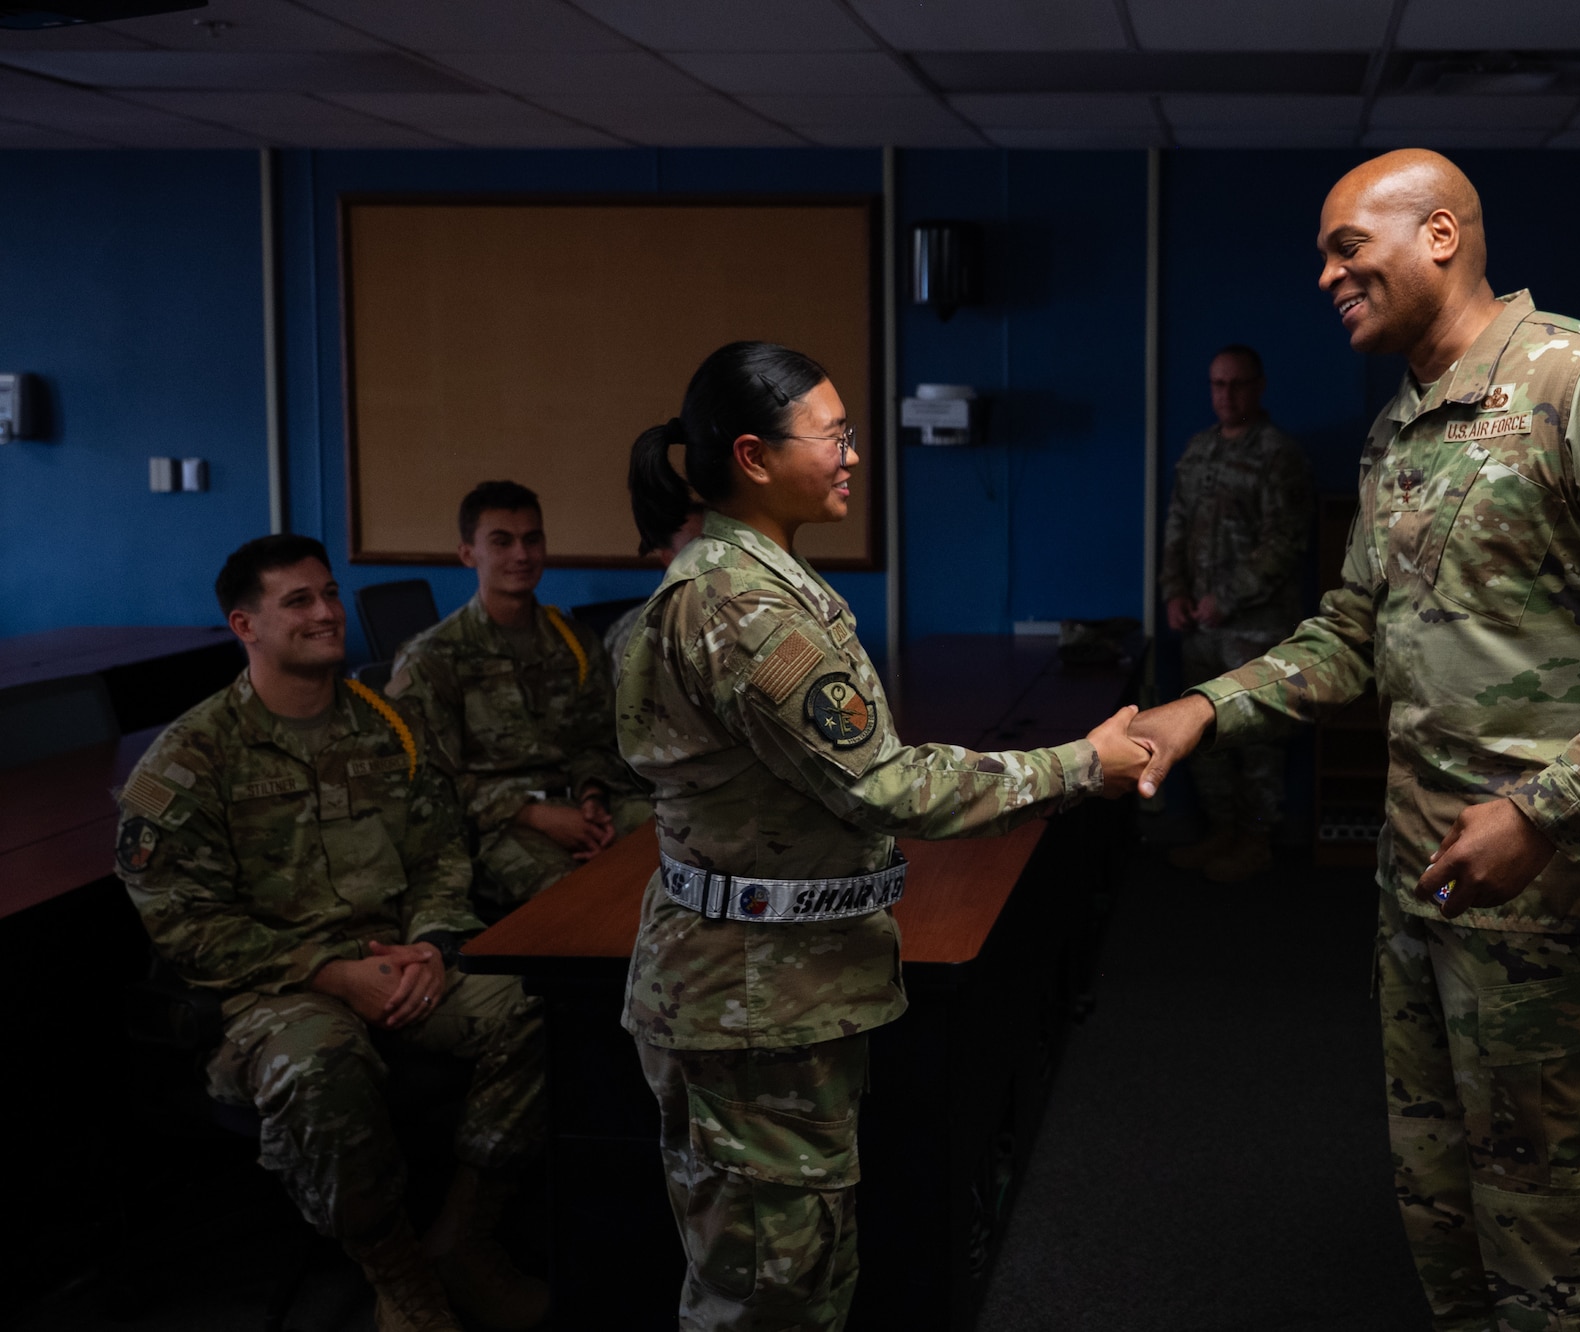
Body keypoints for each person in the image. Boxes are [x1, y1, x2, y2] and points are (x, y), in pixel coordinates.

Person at [1129, 150, 1580, 1332]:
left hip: (1551, 884)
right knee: (1441, 1201)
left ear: (1437, 235)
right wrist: (1206, 706)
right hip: (1417, 878)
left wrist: (1541, 807)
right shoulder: (1399, 432)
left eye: (1343, 246)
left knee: (1549, 1221)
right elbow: (1353, 633)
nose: (1324, 274)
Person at [615, 342, 1155, 1331]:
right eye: (835, 436)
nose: (854, 456)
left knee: (796, 1270)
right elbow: (889, 785)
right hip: (748, 999)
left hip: (776, 984)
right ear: (752, 455)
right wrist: (1083, 764)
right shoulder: (740, 608)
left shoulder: (751, 581)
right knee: (766, 1295)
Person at [115, 534, 549, 1332]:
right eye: (299, 602)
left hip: (402, 961)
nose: (326, 613)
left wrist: (433, 945)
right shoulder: (190, 760)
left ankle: (465, 1236)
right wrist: (328, 972)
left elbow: (441, 856)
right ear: (245, 625)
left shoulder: (387, 728)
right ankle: (403, 1280)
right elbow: (184, 923)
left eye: (329, 594)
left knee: (533, 1006)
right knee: (321, 1069)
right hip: (274, 992)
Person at [388, 481, 651, 913]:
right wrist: (532, 814)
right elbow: (428, 780)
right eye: (501, 541)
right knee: (582, 900)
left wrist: (592, 799)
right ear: (467, 553)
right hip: (496, 825)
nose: (521, 555)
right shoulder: (432, 657)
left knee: (677, 844)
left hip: (582, 806)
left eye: (532, 539)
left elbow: (595, 741)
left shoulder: (574, 643)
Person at [1158, 343, 1313, 881]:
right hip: (1201, 628)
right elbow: (1175, 529)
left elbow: (1284, 542)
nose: (1227, 395)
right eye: (1218, 385)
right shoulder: (1198, 450)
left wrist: (1226, 598)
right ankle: (1221, 833)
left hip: (1255, 629)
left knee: (1257, 741)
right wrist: (1173, 593)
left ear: (1259, 386)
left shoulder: (1277, 452)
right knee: (1203, 738)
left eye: (1237, 384)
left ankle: (1256, 843)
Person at [604, 494, 705, 679]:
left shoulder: (732, 616)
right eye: (696, 546)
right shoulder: (638, 630)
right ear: (669, 558)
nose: (711, 555)